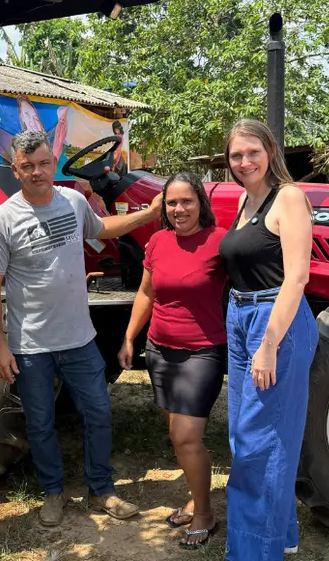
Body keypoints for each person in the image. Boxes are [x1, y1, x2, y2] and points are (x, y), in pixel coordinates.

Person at [0, 130, 162, 527]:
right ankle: (53, 492)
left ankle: (102, 490)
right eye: (28, 166)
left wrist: (149, 215)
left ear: (52, 163)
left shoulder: (74, 201)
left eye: (44, 163)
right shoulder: (3, 219)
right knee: (40, 423)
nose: (37, 172)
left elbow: (103, 230)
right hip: (31, 345)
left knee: (97, 413)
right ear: (16, 169)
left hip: (79, 338)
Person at [217, 119, 319, 561]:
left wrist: (269, 342)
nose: (244, 162)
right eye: (236, 155)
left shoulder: (289, 197)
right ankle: (279, 535)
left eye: (252, 152)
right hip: (241, 315)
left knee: (262, 444)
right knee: (247, 436)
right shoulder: (244, 200)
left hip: (274, 320)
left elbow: (297, 275)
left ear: (270, 151)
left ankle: (252, 554)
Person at [117, 171, 227, 549]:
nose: (179, 209)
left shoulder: (220, 242)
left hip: (203, 351)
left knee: (185, 437)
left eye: (187, 201)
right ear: (163, 207)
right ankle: (197, 495)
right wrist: (130, 337)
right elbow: (146, 294)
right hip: (160, 351)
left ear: (201, 203)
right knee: (179, 437)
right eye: (172, 202)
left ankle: (205, 515)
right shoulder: (158, 241)